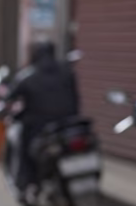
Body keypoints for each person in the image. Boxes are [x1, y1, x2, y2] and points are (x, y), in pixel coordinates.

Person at [5, 40, 81, 194]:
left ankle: (28, 182)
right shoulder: (67, 72)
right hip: (68, 126)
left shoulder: (29, 75)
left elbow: (11, 95)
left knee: (26, 148)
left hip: (39, 128)